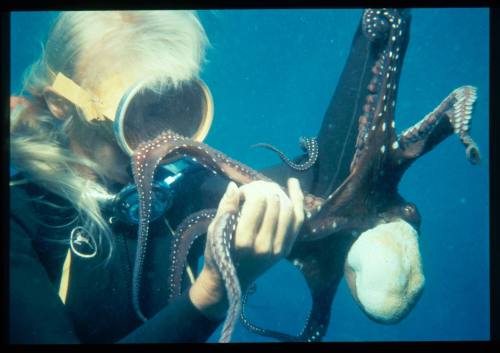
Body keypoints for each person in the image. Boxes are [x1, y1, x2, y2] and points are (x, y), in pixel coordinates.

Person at [10, 10, 425, 344]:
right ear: (64, 105)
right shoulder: (21, 219)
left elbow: (327, 184)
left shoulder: (181, 193)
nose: (164, 141)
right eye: (140, 113)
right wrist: (210, 294)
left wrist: (381, 30)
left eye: (177, 106)